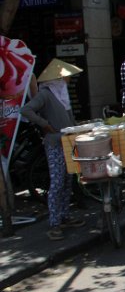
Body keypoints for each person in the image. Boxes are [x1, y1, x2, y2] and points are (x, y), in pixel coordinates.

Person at [21, 59, 85, 241]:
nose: (69, 80)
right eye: (66, 77)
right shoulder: (46, 94)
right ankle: (54, 223)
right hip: (55, 143)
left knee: (67, 181)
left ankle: (65, 216)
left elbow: (70, 119)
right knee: (57, 183)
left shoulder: (62, 94)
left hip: (67, 142)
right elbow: (26, 110)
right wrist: (44, 124)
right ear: (58, 78)